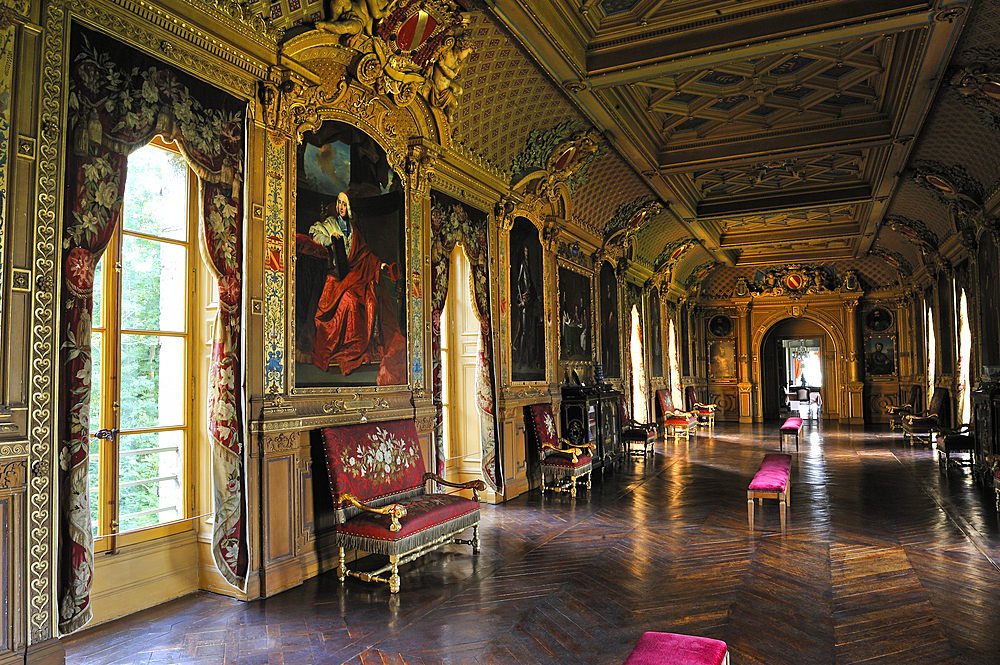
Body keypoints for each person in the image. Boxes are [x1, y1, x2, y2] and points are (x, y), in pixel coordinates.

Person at [308, 192, 406, 385]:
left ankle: (358, 346)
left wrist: (382, 267)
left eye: (344, 203)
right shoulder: (330, 224)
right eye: (339, 203)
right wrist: (330, 239)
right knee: (349, 301)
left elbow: (365, 256)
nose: (341, 206)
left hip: (355, 276)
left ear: (349, 207)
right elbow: (315, 234)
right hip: (336, 275)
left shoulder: (354, 230)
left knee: (367, 301)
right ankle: (343, 346)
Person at [512, 245, 536, 355]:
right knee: (523, 331)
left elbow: (531, 283)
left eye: (528, 251)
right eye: (525, 251)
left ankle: (527, 357)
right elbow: (518, 282)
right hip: (524, 300)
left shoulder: (529, 265)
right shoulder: (523, 264)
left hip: (529, 301)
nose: (526, 253)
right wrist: (521, 298)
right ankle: (521, 357)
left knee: (529, 332)